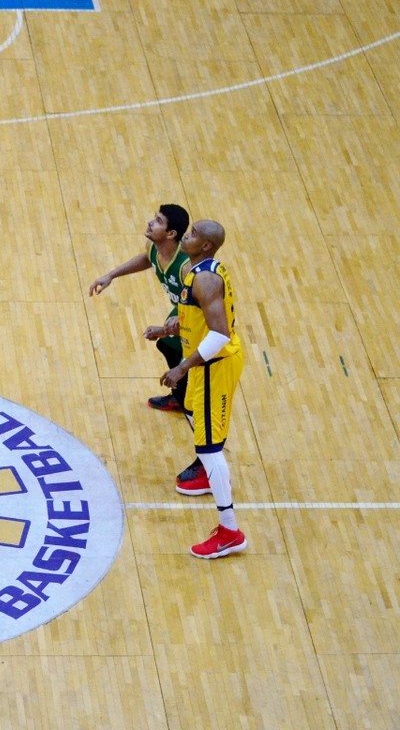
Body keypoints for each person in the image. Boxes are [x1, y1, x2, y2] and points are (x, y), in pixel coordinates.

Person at [157, 220, 248, 559]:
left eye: (193, 234)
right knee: (193, 414)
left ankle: (229, 531)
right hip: (201, 363)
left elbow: (220, 333)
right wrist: (169, 326)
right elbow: (198, 315)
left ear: (206, 246)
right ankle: (213, 473)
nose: (186, 236)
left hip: (214, 365)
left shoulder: (206, 279)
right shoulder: (194, 270)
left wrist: (182, 365)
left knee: (209, 448)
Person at [88, 204, 192, 413]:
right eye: (155, 217)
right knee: (168, 346)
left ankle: (189, 397)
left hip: (196, 313)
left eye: (158, 221)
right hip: (182, 308)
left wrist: (166, 329)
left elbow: (200, 308)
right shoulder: (153, 247)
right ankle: (183, 395)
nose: (150, 222)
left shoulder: (185, 267)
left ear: (171, 234)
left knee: (181, 353)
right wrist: (111, 275)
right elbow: (148, 259)